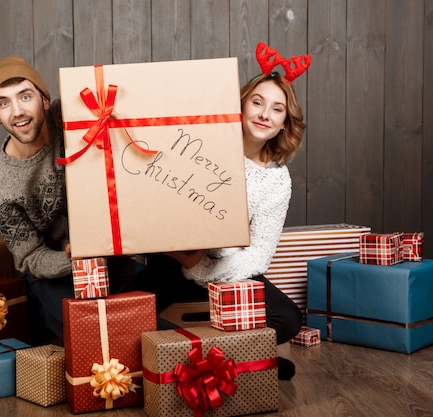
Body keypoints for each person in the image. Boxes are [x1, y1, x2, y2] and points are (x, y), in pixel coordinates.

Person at [120, 44, 309, 381]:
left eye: (277, 109)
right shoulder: (201, 142)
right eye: (258, 102)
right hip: (172, 261)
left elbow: (258, 258)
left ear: (284, 123)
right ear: (240, 105)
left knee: (289, 320)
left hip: (226, 272)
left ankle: (195, 359)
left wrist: (201, 267)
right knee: (117, 312)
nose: (265, 114)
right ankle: (240, 359)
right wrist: (184, 256)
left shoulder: (278, 181)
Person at [0, 56, 136, 343]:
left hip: (111, 255)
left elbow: (123, 104)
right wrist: (72, 258)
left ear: (44, 99)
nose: (17, 111)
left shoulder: (67, 116)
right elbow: (29, 257)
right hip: (56, 273)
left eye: (25, 96)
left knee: (153, 300)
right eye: (4, 103)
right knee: (86, 332)